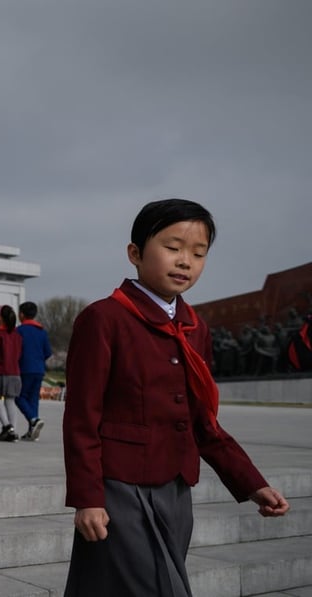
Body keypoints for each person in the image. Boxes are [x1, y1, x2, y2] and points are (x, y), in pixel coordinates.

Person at [63, 198, 289, 596]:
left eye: (198, 253)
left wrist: (252, 483)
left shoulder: (195, 329)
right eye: (173, 247)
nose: (186, 261)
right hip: (121, 488)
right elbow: (82, 417)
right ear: (135, 253)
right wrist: (87, 498)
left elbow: (205, 423)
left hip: (176, 490)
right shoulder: (104, 319)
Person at [15, 301, 53, 441]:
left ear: (22, 314)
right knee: (33, 399)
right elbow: (48, 352)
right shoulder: (41, 331)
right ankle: (33, 431)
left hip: (25, 368)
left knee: (19, 397)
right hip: (39, 368)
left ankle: (33, 420)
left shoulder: (19, 331)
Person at [0, 305, 22, 442]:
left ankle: (6, 425)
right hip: (15, 372)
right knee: (10, 400)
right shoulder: (17, 335)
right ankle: (13, 430)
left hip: (2, 371)